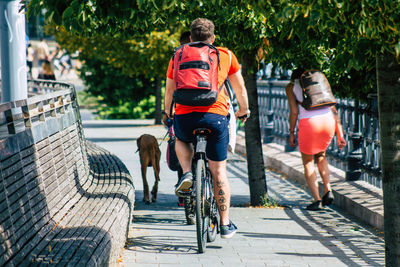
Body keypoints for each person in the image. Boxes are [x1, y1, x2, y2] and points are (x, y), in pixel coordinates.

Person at [163, 18, 250, 238]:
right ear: (213, 37)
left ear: (190, 38)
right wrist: (243, 111)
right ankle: (224, 223)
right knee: (219, 170)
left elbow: (169, 91)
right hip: (215, 115)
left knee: (180, 139)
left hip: (185, 115)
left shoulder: (178, 55)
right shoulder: (226, 55)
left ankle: (186, 173)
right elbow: (240, 89)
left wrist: (167, 114)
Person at [285, 68, 346, 211]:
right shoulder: (318, 81)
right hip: (327, 121)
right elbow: (333, 109)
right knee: (321, 155)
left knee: (307, 160)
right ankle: (328, 189)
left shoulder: (291, 87)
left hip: (309, 122)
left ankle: (317, 199)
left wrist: (292, 132)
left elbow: (294, 112)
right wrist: (340, 134)